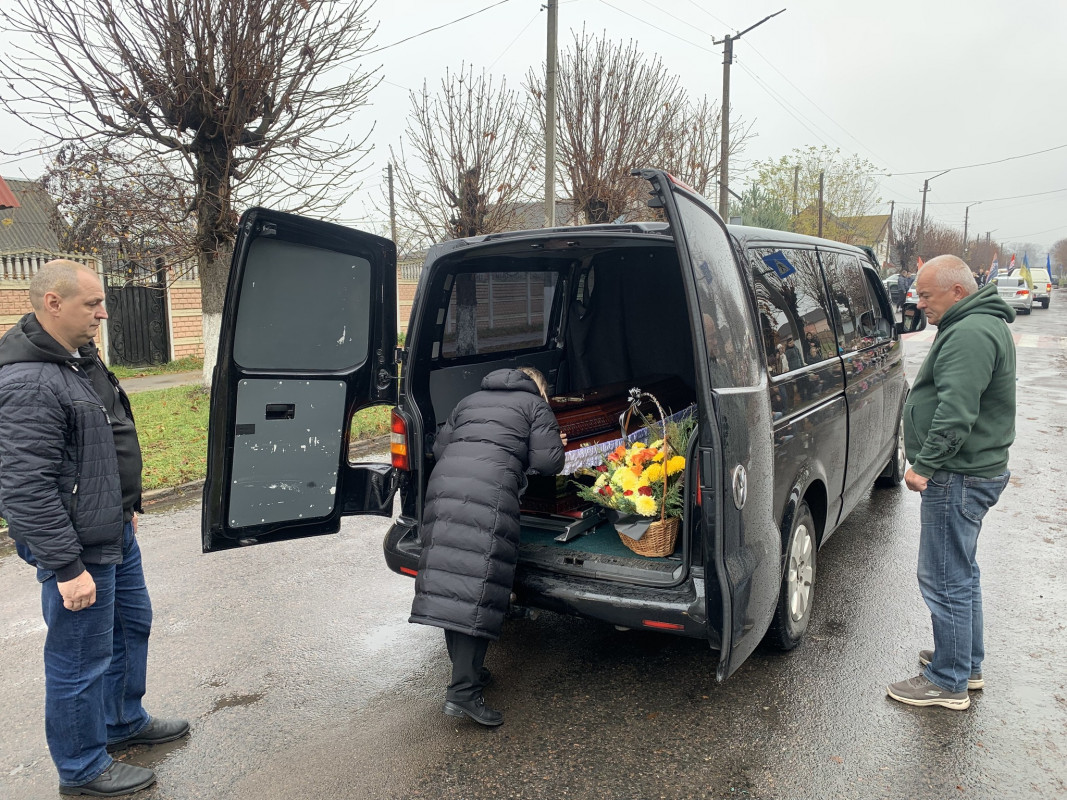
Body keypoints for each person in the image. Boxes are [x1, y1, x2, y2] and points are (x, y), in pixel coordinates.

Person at [0, 261, 189, 796]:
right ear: (52, 304)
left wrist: (124, 501)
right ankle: (81, 768)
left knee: (132, 626)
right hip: (77, 549)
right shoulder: (29, 380)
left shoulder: (78, 361)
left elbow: (100, 441)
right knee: (79, 660)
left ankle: (123, 720)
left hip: (113, 529)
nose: (103, 314)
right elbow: (24, 488)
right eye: (92, 304)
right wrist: (65, 567)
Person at [886, 255, 1016, 711]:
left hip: (956, 474)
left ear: (957, 291)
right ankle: (964, 663)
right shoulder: (978, 323)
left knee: (944, 578)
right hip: (970, 470)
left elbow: (956, 412)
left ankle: (947, 681)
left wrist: (924, 465)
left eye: (925, 295)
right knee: (960, 571)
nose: (919, 304)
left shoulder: (970, 333)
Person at [409, 366, 566, 727]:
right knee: (479, 592)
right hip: (488, 496)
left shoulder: (468, 400)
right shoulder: (534, 406)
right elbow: (548, 462)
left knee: (455, 586)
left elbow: (439, 446)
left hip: (444, 490)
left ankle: (468, 677)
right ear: (538, 386)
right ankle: (462, 693)